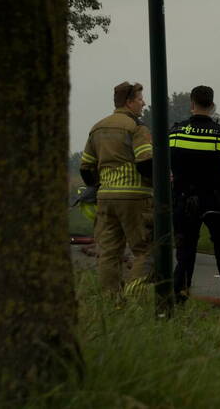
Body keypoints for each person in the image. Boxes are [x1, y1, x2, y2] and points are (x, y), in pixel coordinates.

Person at [169, 85, 220, 311]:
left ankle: (179, 299)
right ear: (212, 106)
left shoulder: (175, 132)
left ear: (191, 104)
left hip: (184, 200)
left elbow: (171, 161)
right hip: (215, 199)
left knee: (185, 252)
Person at [79, 82, 154, 296]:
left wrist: (100, 184)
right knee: (145, 250)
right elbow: (145, 163)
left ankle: (111, 301)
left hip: (105, 198)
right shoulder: (137, 128)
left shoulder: (97, 128)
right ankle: (134, 295)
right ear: (129, 102)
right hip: (135, 198)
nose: (143, 104)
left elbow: (86, 168)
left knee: (109, 252)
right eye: (140, 100)